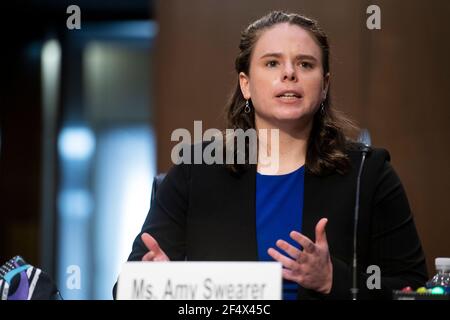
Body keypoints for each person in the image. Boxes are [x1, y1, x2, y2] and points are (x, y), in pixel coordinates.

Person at [114, 11, 428, 300]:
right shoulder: (196, 170)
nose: (290, 73)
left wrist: (335, 280)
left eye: (305, 64)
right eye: (272, 63)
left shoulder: (367, 174)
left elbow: (415, 291)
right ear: (245, 84)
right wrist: (154, 284)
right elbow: (125, 289)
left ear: (324, 86)